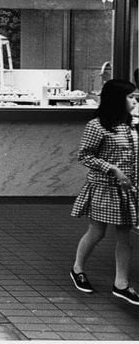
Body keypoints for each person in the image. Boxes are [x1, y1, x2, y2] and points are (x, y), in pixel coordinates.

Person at [70, 79, 139, 304]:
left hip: (127, 190)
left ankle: (121, 284)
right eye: (130, 97)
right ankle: (78, 268)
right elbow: (85, 155)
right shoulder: (97, 125)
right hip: (104, 188)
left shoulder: (130, 124)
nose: (135, 101)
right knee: (97, 232)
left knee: (125, 237)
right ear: (117, 99)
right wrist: (113, 170)